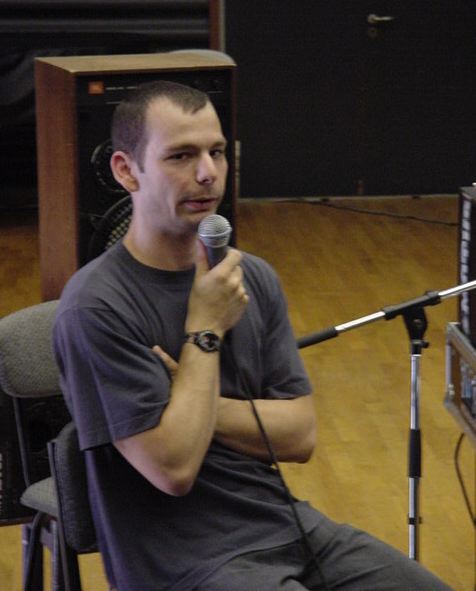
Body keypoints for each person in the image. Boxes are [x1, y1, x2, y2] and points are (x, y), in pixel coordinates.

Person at [53, 80, 452, 591]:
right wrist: (204, 329)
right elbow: (173, 469)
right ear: (126, 170)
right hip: (181, 564)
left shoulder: (251, 278)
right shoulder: (95, 307)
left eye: (216, 152)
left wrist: (190, 401)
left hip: (286, 529)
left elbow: (299, 434)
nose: (207, 173)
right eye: (181, 156)